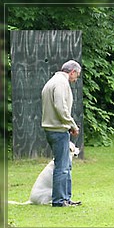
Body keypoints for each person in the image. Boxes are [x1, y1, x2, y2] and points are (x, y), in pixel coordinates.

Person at [41, 60, 82, 207]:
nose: (76, 79)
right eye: (76, 75)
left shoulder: (52, 81)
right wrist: (72, 124)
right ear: (72, 72)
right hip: (58, 130)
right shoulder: (61, 83)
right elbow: (61, 107)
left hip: (53, 128)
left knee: (65, 165)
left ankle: (66, 198)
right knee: (62, 166)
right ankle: (60, 200)